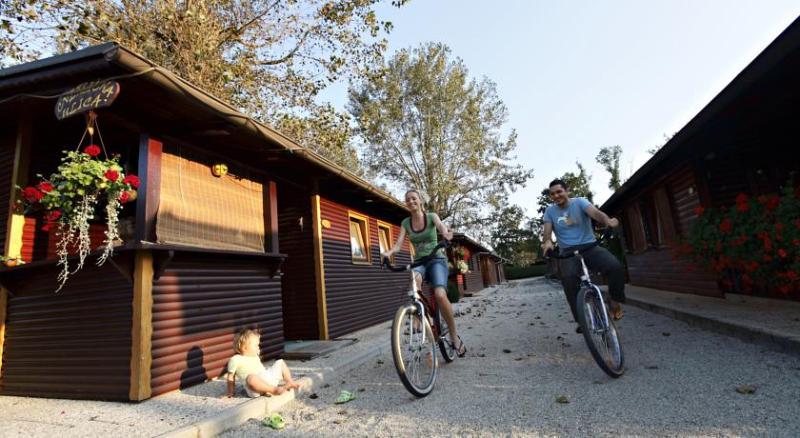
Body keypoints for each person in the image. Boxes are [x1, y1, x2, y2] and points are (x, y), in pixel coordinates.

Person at [381, 189, 466, 357]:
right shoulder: (406, 223)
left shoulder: (432, 217)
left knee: (440, 295)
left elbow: (442, 228)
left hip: (436, 260)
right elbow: (398, 245)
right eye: (407, 199)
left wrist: (447, 234)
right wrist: (389, 252)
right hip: (420, 262)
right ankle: (419, 319)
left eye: (413, 198)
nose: (410, 201)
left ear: (420, 201)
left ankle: (454, 336)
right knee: (414, 280)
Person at [541, 179, 626, 333]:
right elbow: (547, 232)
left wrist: (607, 220)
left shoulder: (580, 202)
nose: (556, 195)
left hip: (590, 246)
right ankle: (582, 320)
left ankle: (614, 302)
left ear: (567, 191)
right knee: (568, 281)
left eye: (559, 191)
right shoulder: (550, 211)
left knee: (615, 267)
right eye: (552, 194)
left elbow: (596, 214)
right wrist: (547, 242)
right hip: (567, 252)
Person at [223, 329, 301, 398]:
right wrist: (230, 393)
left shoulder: (255, 355)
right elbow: (230, 378)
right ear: (245, 348)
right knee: (251, 378)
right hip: (254, 388)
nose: (258, 347)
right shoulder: (235, 359)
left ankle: (289, 382)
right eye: (256, 345)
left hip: (268, 379)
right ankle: (273, 390)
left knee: (280, 362)